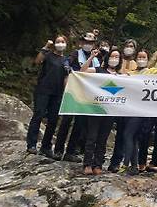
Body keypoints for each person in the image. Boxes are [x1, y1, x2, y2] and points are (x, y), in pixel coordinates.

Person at [54, 31, 99, 162]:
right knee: (66, 121)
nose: (88, 45)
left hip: (86, 94)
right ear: (81, 43)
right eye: (86, 42)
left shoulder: (95, 59)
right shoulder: (75, 54)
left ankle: (70, 152)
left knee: (79, 124)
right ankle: (58, 150)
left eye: (90, 43)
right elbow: (67, 61)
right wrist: (67, 67)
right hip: (72, 93)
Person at [80, 48, 123, 175]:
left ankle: (98, 164)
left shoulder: (121, 76)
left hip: (110, 112)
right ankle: (87, 164)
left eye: (117, 57)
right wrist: (91, 57)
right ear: (108, 57)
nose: (114, 59)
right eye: (112, 56)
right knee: (91, 137)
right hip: (96, 109)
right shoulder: (99, 71)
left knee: (102, 139)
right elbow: (82, 71)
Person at [26, 36, 70, 157]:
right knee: (38, 115)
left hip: (57, 93)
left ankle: (46, 146)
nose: (60, 44)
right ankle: (31, 144)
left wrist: (66, 91)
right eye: (58, 42)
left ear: (66, 44)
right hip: (43, 90)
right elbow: (38, 61)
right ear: (54, 44)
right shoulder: (48, 55)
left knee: (53, 120)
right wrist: (46, 47)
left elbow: (67, 76)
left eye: (63, 42)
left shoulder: (66, 60)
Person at [121, 49, 157, 175]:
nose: (141, 59)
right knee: (133, 138)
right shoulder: (131, 73)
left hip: (142, 111)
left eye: (144, 57)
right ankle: (134, 165)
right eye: (139, 57)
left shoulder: (152, 72)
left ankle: (126, 164)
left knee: (128, 135)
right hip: (130, 108)